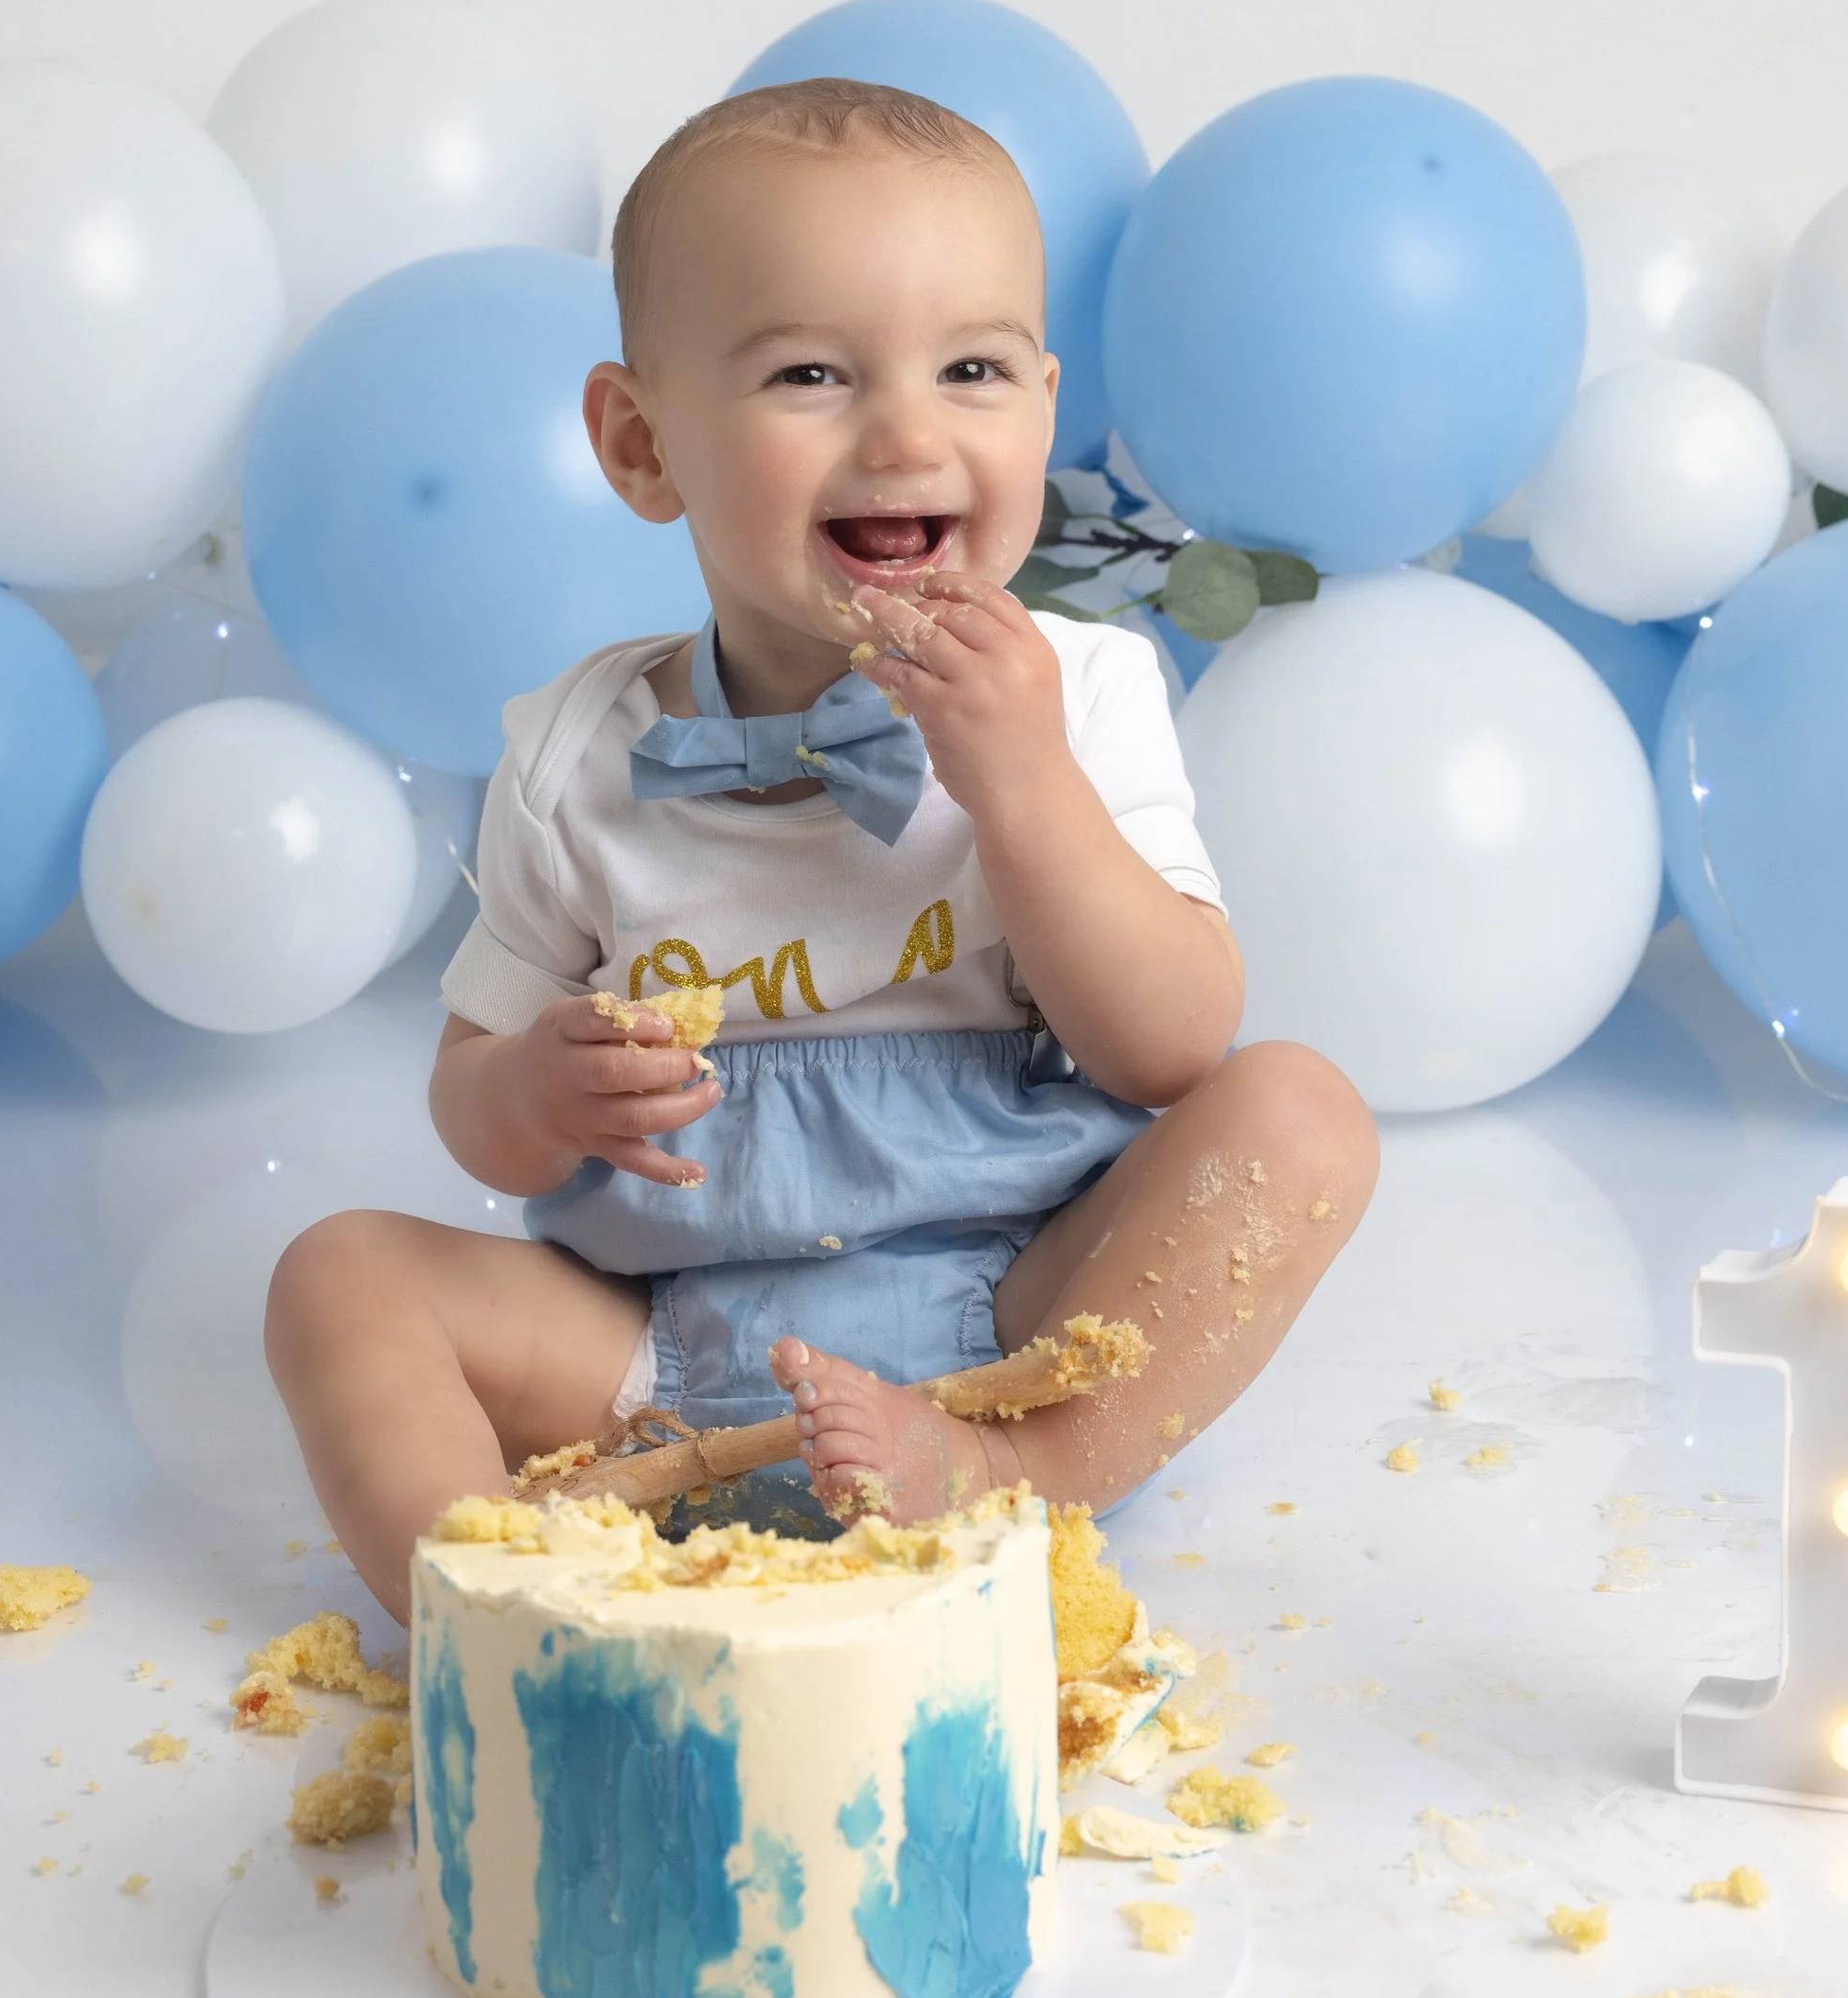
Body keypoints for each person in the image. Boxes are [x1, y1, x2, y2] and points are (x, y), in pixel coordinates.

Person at [267, 78, 1377, 1621]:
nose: (908, 432)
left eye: (973, 368)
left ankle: (1020, 1477)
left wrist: (1026, 787)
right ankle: (499, 1603)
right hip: (649, 1337)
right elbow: (473, 1103)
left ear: (1046, 408)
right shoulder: (578, 753)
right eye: (810, 373)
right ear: (643, 446)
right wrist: (535, 1090)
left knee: (1300, 1117)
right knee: (339, 1274)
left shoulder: (1091, 694)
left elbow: (1174, 1045)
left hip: (1021, 1303)